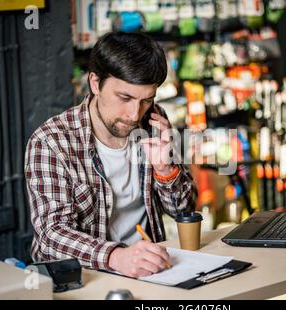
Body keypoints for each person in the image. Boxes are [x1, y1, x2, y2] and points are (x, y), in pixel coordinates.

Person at [25, 32, 197, 278]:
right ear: (95, 83)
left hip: (150, 273)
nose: (134, 114)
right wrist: (116, 257)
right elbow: (52, 234)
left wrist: (165, 171)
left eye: (146, 100)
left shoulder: (154, 121)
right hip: (82, 279)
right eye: (124, 97)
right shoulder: (51, 142)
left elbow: (185, 211)